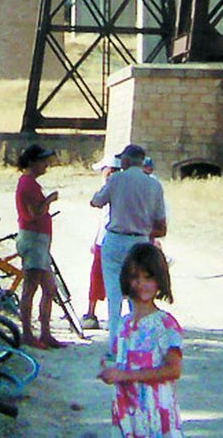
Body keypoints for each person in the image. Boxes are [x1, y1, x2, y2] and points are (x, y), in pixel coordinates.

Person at [97, 243, 183, 437]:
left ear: (159, 280)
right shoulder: (124, 324)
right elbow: (122, 358)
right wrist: (110, 367)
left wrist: (124, 376)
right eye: (135, 277)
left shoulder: (165, 325)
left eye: (148, 277)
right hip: (127, 411)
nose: (141, 283)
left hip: (155, 413)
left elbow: (173, 369)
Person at [90, 143, 167, 351]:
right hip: (140, 241)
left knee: (114, 296)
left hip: (116, 239)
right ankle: (137, 344)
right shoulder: (154, 185)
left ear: (125, 161)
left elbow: (96, 201)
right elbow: (161, 224)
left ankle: (115, 346)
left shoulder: (116, 180)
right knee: (138, 294)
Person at [15, 143, 63, 349]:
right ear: (33, 162)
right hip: (33, 239)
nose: (46, 165)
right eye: (43, 161)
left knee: (49, 288)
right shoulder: (27, 184)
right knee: (31, 287)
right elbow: (34, 213)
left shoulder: (29, 183)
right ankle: (27, 333)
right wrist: (49, 200)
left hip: (39, 241)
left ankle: (45, 332)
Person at [82, 155, 119, 331]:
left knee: (97, 277)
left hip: (106, 239)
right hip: (115, 237)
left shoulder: (109, 187)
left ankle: (91, 313)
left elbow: (95, 202)